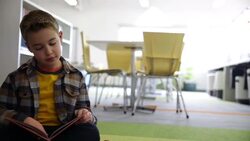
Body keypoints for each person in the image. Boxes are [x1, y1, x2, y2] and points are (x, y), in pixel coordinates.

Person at [0, 10, 100, 141]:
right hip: (29, 131)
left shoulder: (76, 76)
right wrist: (25, 120)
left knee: (90, 131)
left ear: (60, 36)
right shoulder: (16, 77)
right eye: (38, 48)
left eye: (52, 43)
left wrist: (86, 115)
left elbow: (85, 109)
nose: (48, 52)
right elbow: (1, 110)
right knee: (4, 131)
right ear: (29, 47)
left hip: (64, 131)